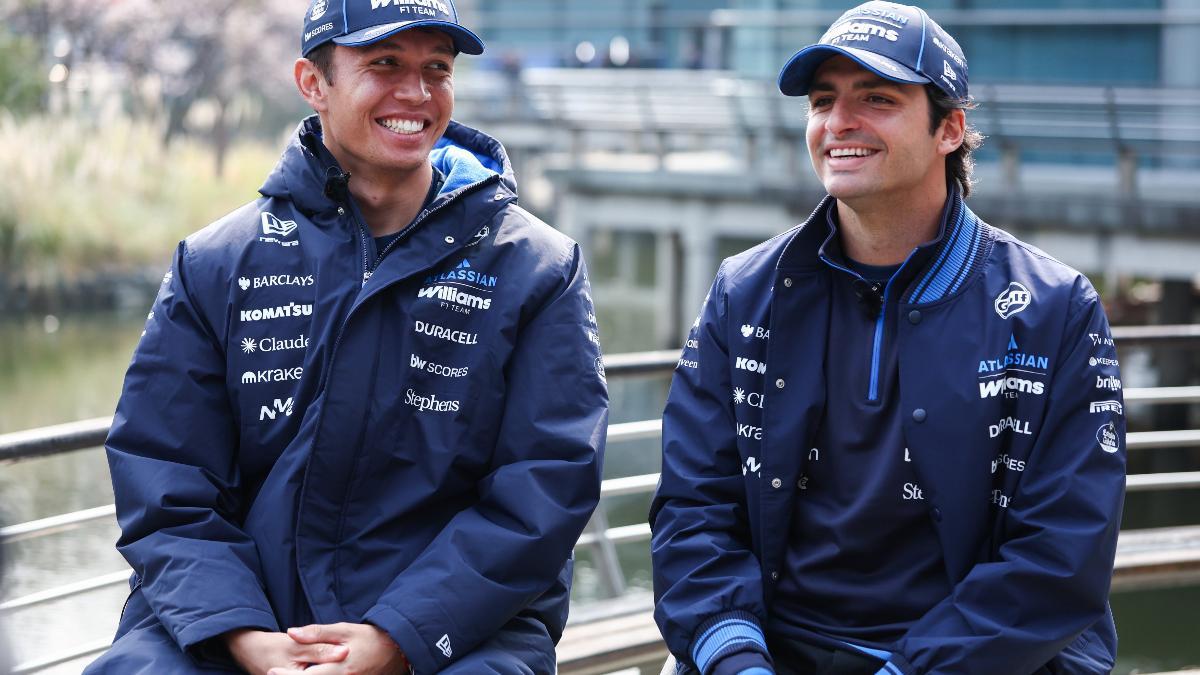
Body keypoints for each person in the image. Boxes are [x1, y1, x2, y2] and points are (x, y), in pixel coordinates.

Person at [86, 0, 608, 672]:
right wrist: (245, 636)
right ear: (313, 83)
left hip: (458, 628)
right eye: (384, 64)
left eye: (437, 70)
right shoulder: (218, 262)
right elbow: (165, 480)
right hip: (237, 621)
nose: (416, 94)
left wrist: (397, 637)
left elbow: (545, 489)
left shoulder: (537, 269)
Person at [649, 2, 1126, 674]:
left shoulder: (1056, 310)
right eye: (823, 100)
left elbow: (1060, 556)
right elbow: (693, 509)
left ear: (950, 129)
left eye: (876, 98)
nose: (839, 122)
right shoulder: (743, 289)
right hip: (773, 650)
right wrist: (735, 655)